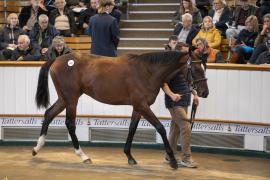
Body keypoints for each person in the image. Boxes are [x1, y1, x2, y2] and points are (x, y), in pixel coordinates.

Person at [163, 35, 199, 168]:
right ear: (178, 52)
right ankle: (186, 158)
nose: (187, 55)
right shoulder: (171, 66)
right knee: (185, 126)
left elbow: (188, 83)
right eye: (184, 53)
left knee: (176, 129)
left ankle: (169, 155)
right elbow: (163, 83)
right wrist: (172, 95)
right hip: (174, 102)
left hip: (185, 100)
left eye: (188, 53)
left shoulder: (185, 66)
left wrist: (195, 94)